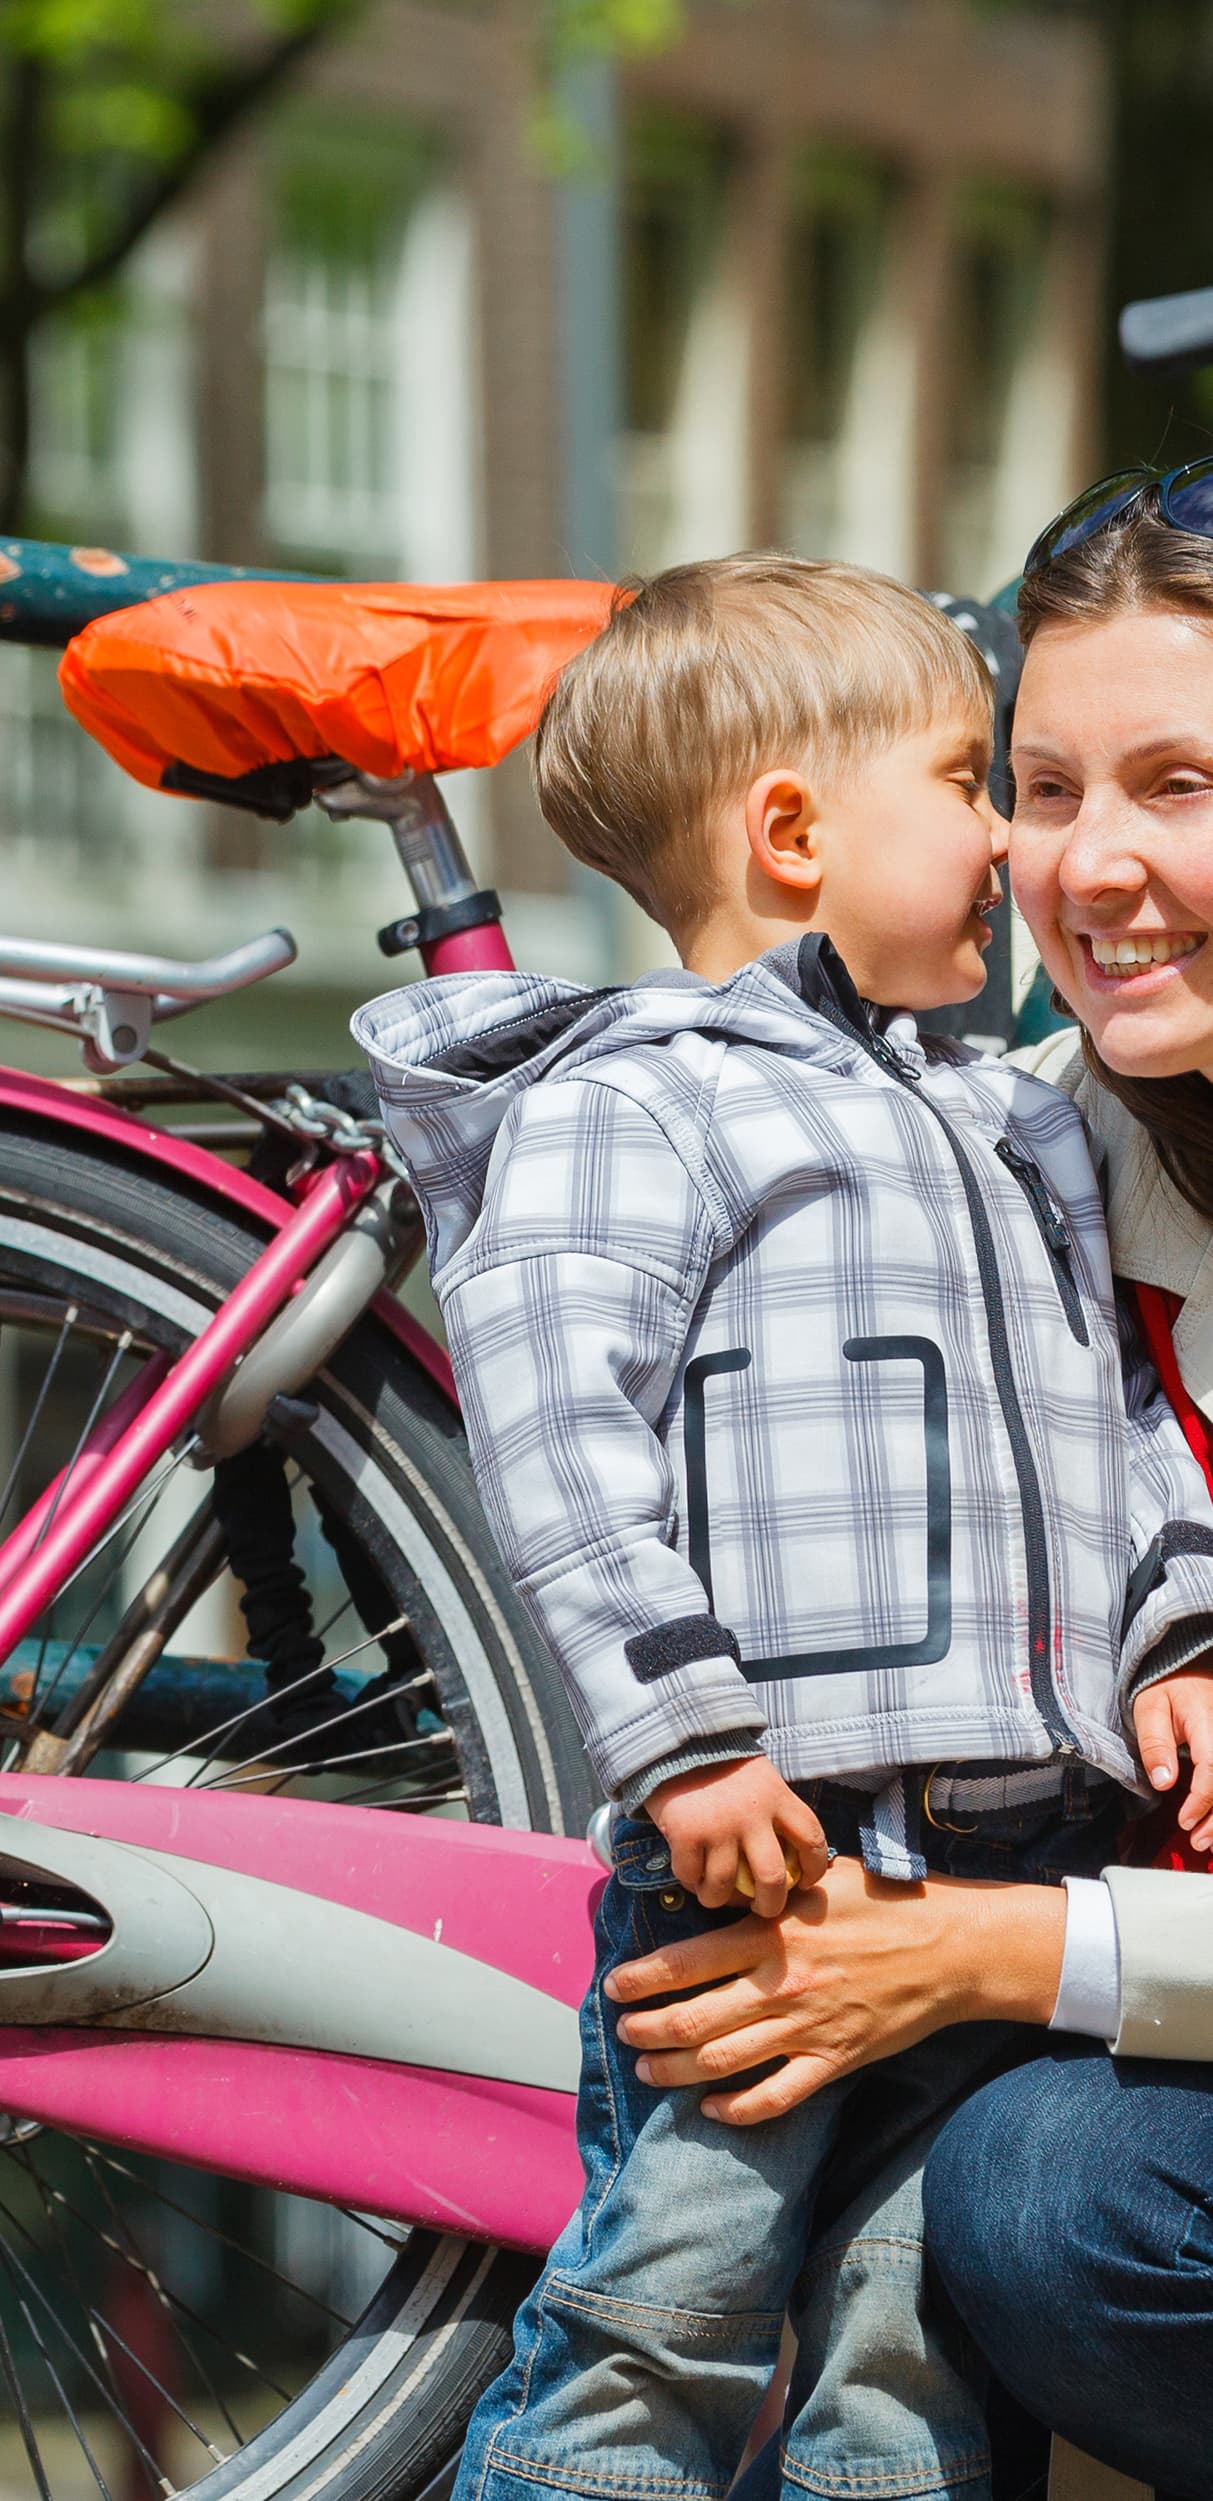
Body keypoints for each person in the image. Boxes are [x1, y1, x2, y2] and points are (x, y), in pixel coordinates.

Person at [353, 551, 1213, 2501]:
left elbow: (1102, 1452)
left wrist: (1162, 1648)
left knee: (913, 2355)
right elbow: (564, 1437)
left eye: (1171, 784)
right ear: (795, 832)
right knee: (661, 2319)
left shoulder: (996, 1142)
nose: (1044, 857)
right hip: (774, 1856)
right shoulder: (914, 1115)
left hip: (1003, 1871)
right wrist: (679, 1733)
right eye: (1011, 779)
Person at [601, 483, 1213, 2500]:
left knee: (1051, 2205)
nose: (1089, 865)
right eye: (1033, 785)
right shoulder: (998, 1150)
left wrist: (976, 1953)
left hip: (1059, 1974)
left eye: (1178, 785)